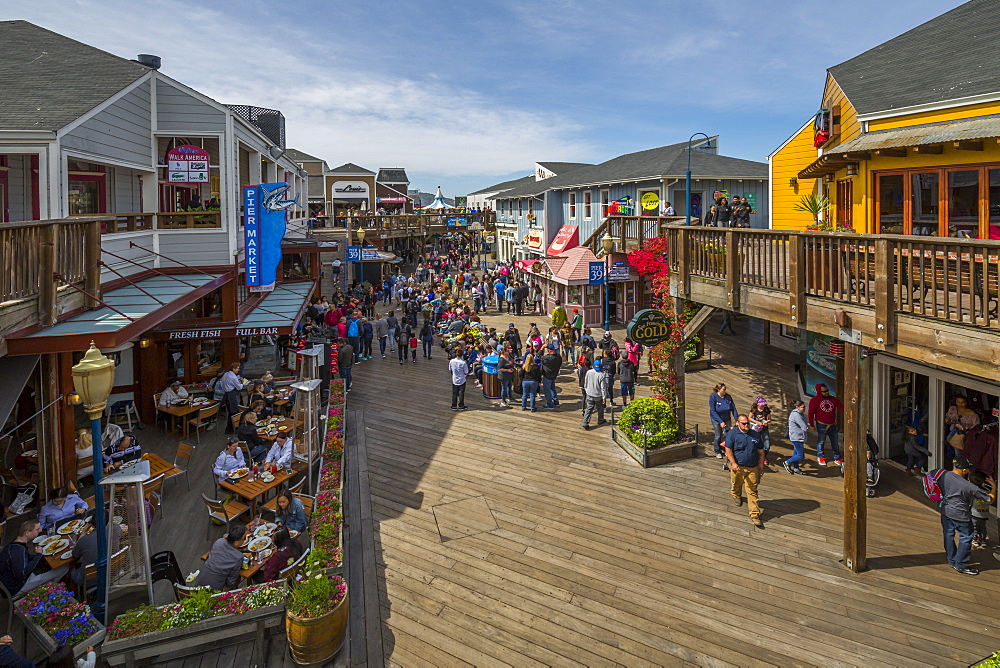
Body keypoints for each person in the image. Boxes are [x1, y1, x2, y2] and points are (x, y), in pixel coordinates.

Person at [934, 456, 995, 575]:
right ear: (964, 470)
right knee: (966, 536)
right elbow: (989, 499)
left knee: (948, 535)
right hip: (960, 514)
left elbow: (927, 476)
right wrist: (994, 486)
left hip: (944, 510)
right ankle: (961, 564)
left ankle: (951, 559)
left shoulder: (941, 473)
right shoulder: (968, 486)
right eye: (968, 469)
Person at [724, 415, 765, 528]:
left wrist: (761, 463)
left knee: (752, 490)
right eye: (744, 423)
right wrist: (733, 463)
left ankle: (755, 514)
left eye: (747, 423)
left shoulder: (755, 435)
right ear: (738, 423)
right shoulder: (732, 434)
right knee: (737, 483)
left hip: (753, 467)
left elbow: (761, 450)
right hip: (738, 467)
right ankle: (736, 495)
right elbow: (728, 449)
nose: (746, 425)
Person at [195, 525, 247, 591]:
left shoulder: (219, 542)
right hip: (214, 590)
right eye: (244, 538)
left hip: (199, 582)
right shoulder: (238, 557)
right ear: (236, 542)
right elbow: (231, 581)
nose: (245, 539)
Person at [71, 523, 122, 588]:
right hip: (114, 571)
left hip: (91, 580)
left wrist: (83, 532)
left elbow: (75, 554)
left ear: (91, 525)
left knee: (71, 570)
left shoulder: (83, 540)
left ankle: (74, 592)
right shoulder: (116, 528)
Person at [808, 383, 844, 466]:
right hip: (821, 425)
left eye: (827, 391)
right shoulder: (814, 400)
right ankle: (820, 456)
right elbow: (810, 413)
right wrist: (811, 424)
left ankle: (837, 457)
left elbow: (842, 407)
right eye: (823, 391)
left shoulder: (833, 399)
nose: (826, 393)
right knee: (821, 441)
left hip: (832, 424)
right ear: (819, 392)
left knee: (835, 442)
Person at [708, 383, 738, 460]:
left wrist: (737, 420)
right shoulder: (713, 397)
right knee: (718, 435)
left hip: (727, 418)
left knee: (728, 435)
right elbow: (713, 411)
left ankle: (726, 450)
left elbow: (733, 409)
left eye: (725, 389)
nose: (725, 391)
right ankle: (717, 450)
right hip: (716, 418)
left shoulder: (728, 397)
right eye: (723, 389)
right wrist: (720, 421)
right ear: (719, 390)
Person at [968, 471, 994, 548]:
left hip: (975, 514)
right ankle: (983, 540)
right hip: (984, 514)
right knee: (983, 528)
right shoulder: (987, 491)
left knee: (974, 527)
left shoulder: (974, 492)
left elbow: (969, 502)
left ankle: (975, 539)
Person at [581, 358, 608, 430]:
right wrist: (604, 398)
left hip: (589, 394)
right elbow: (603, 388)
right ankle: (600, 420)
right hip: (598, 395)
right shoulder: (601, 375)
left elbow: (585, 383)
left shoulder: (589, 372)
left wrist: (587, 390)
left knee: (589, 408)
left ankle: (585, 422)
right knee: (600, 408)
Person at [784, 400, 808, 474]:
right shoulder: (797, 415)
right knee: (800, 456)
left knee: (796, 454)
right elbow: (804, 427)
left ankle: (796, 468)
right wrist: (809, 426)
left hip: (797, 437)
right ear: (797, 407)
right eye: (802, 407)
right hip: (797, 438)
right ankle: (787, 462)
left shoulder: (798, 414)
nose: (804, 409)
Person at [220, 363, 244, 433]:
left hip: (226, 395)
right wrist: (242, 382)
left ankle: (230, 428)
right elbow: (239, 387)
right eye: (237, 368)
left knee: (231, 412)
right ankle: (233, 428)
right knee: (235, 412)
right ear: (233, 369)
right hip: (232, 395)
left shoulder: (226, 374)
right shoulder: (233, 377)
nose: (238, 370)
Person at [748, 396, 772, 466]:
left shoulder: (767, 410)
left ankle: (763, 457)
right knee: (755, 443)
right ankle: (756, 456)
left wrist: (767, 422)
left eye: (763, 405)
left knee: (767, 445)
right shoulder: (754, 409)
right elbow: (749, 418)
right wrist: (757, 422)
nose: (762, 406)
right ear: (757, 404)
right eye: (761, 405)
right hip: (756, 429)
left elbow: (770, 419)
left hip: (764, 429)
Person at [540, 344, 561, 409]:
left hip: (547, 376)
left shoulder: (546, 358)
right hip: (554, 375)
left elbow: (538, 356)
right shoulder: (558, 357)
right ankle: (556, 401)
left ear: (548, 350)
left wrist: (542, 348)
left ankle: (550, 404)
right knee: (552, 388)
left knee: (547, 391)